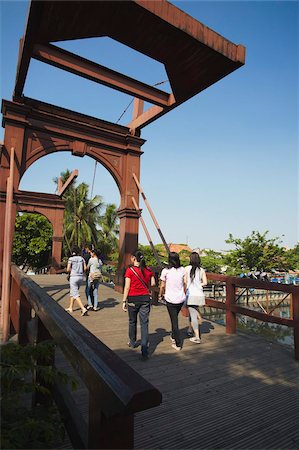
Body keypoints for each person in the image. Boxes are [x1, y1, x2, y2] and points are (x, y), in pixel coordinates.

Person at [122, 250, 155, 360]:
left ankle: (132, 342)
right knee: (144, 323)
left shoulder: (130, 270)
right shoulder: (148, 269)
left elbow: (127, 287)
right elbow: (153, 283)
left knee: (132, 321)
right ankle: (144, 349)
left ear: (133, 258)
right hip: (145, 299)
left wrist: (123, 301)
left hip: (133, 299)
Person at [159, 252, 186, 351]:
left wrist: (160, 294)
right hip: (180, 298)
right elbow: (184, 282)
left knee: (174, 320)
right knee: (174, 318)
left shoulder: (165, 271)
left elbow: (162, 285)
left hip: (170, 299)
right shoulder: (182, 270)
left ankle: (177, 343)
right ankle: (174, 335)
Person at [185, 252, 207, 343]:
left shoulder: (186, 269)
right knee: (192, 312)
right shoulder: (201, 270)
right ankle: (190, 330)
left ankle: (197, 337)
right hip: (199, 295)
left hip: (191, 295)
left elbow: (185, 282)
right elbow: (205, 282)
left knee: (193, 315)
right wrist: (199, 285)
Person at [65, 246, 88, 316]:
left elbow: (68, 269)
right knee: (73, 292)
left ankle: (83, 308)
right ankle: (70, 307)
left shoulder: (71, 259)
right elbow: (85, 268)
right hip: (80, 277)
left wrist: (73, 270)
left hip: (73, 277)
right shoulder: (82, 259)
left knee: (75, 294)